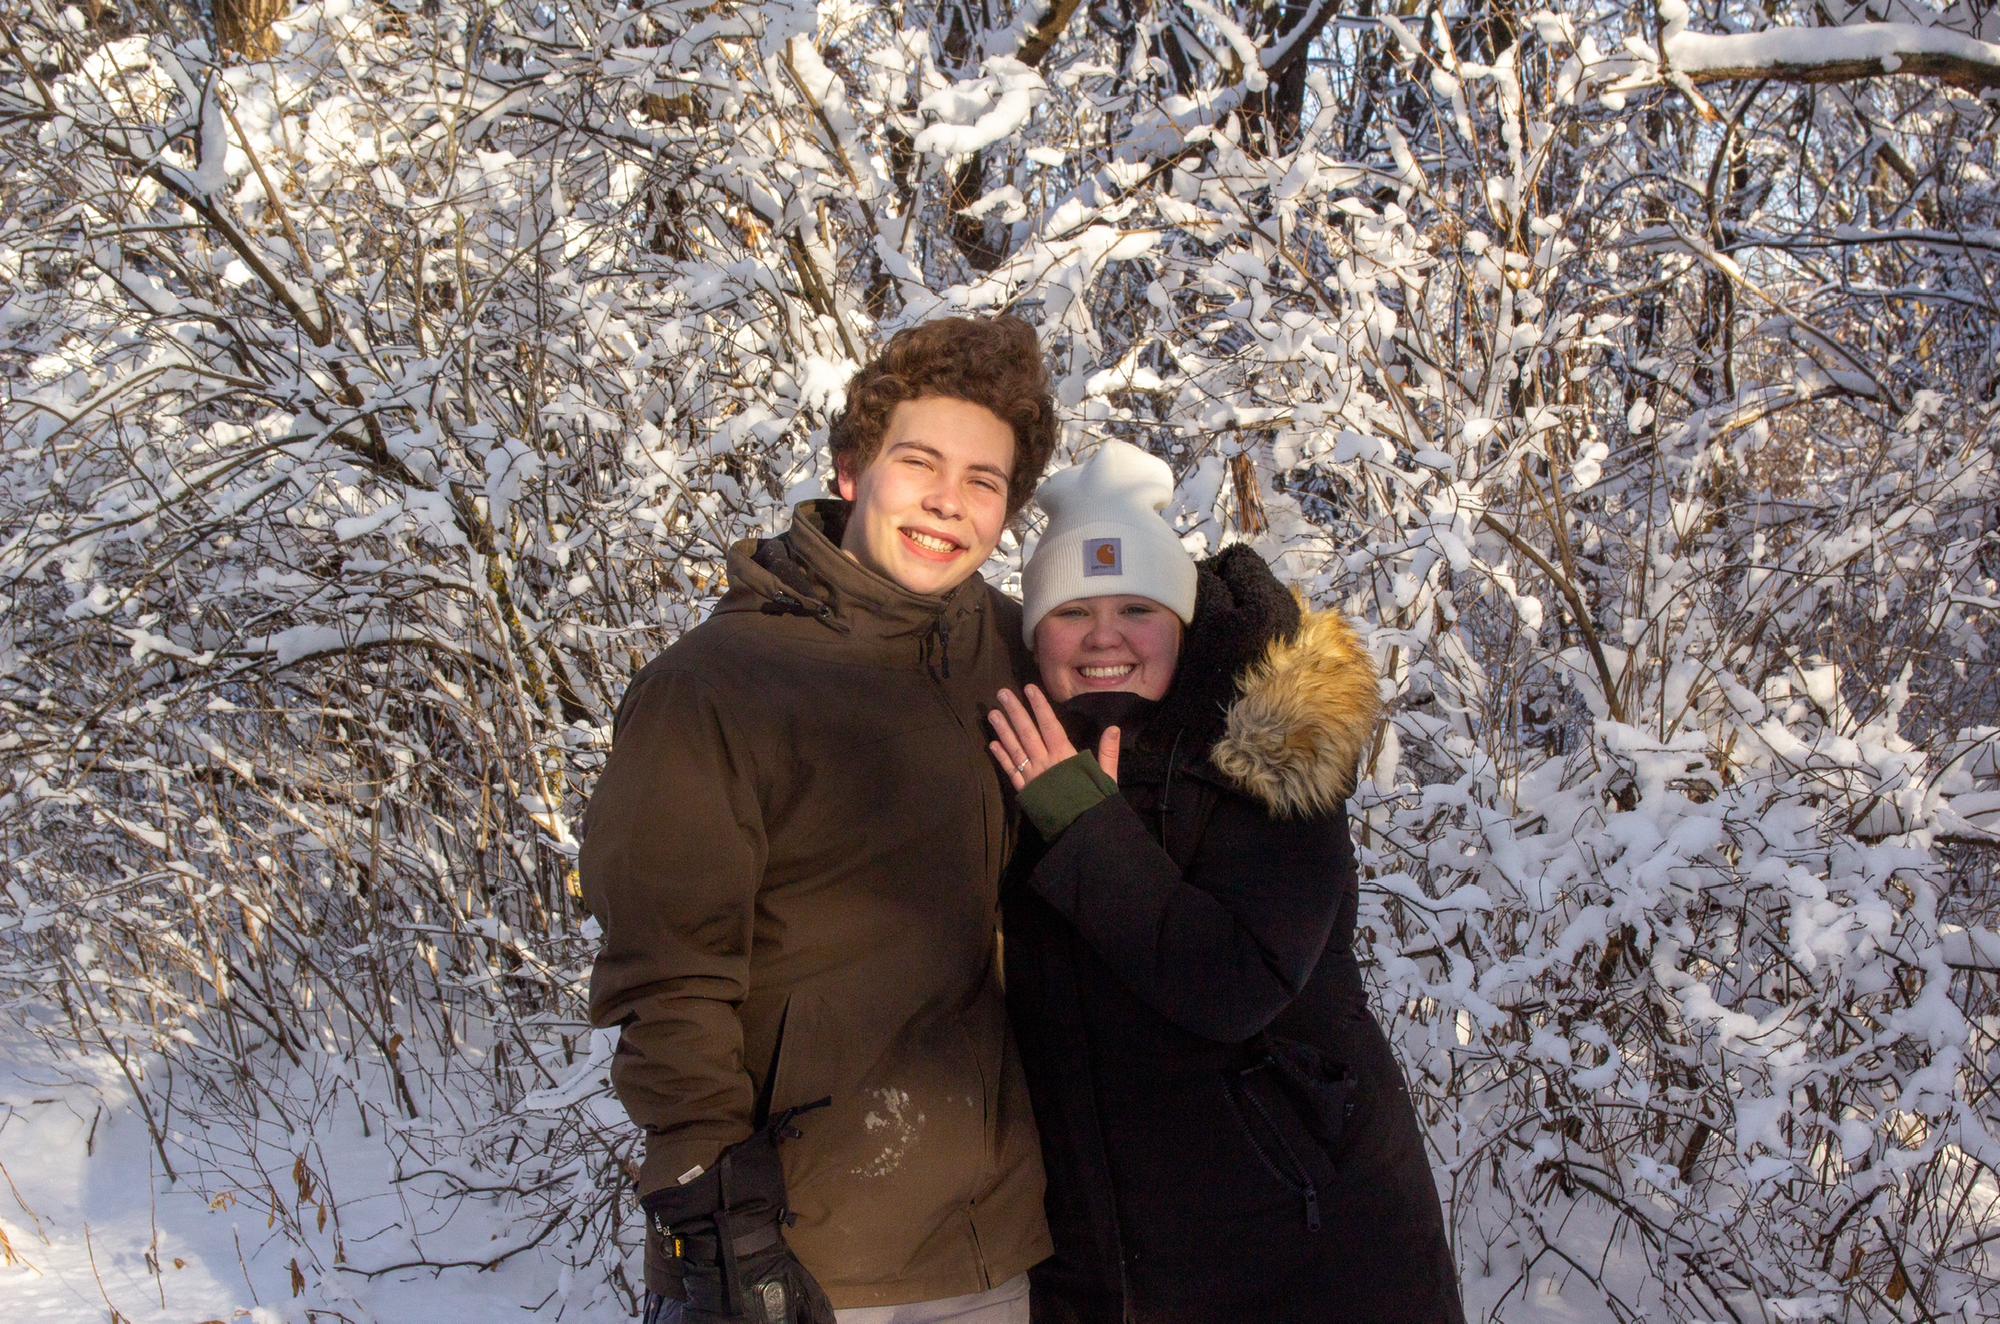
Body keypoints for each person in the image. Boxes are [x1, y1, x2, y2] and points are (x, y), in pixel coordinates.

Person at [582, 316, 1061, 1324]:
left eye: (983, 480)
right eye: (917, 461)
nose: (947, 500)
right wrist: (714, 1214)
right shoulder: (717, 689)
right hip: (808, 1255)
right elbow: (667, 975)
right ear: (851, 469)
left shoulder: (1020, 655)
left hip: (1000, 1240)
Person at [986, 441, 1465, 1324]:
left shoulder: (1269, 747)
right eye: (1071, 611)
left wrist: (1082, 823)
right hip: (1109, 1265)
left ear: (1184, 613)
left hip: (1309, 1251)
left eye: (1137, 606)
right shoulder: (1016, 754)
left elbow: (1233, 980)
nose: (1104, 637)